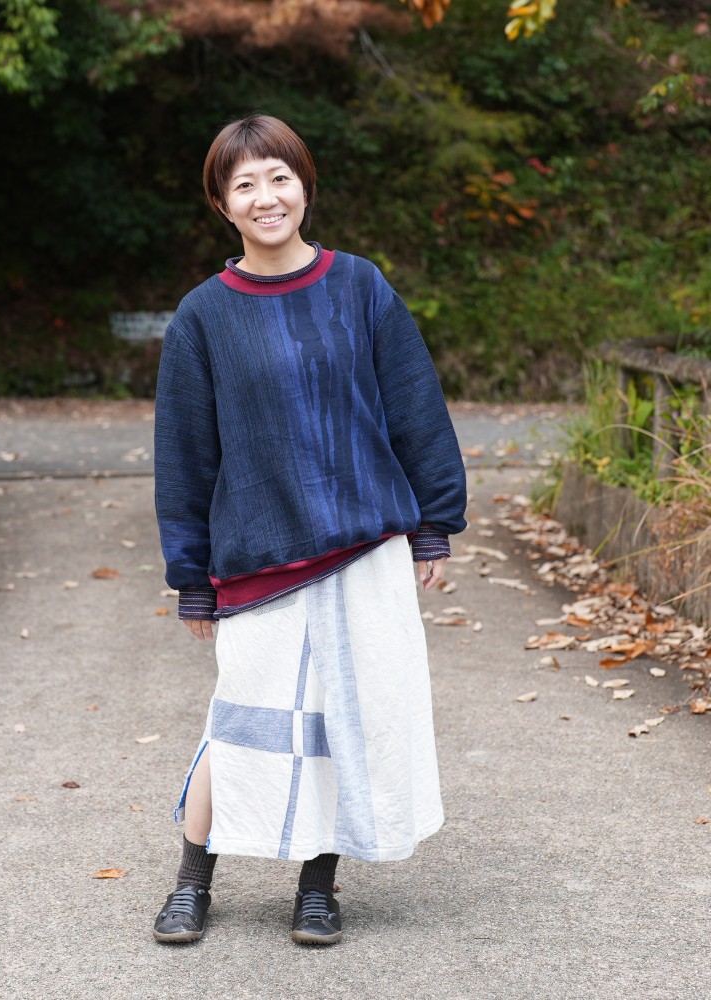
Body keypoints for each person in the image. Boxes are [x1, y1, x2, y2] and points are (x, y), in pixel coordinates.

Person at [152, 113, 467, 946]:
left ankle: (318, 889)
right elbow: (184, 455)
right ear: (222, 203)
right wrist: (191, 577)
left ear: (304, 186)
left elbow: (415, 405)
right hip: (259, 554)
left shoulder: (360, 286)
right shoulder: (203, 316)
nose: (267, 197)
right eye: (245, 184)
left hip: (364, 545)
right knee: (239, 720)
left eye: (280, 177)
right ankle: (192, 882)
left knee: (345, 720)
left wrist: (435, 524)